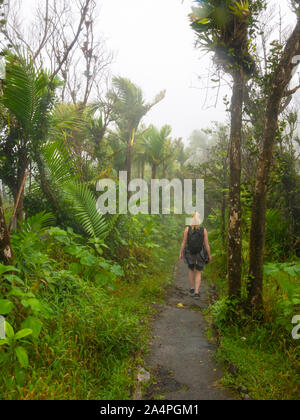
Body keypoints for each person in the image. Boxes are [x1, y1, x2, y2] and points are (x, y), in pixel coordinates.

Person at [179, 212, 212, 299]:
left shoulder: (187, 229)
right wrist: (209, 255)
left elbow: (184, 242)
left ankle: (192, 288)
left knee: (191, 269)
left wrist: (181, 253)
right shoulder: (204, 230)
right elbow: (206, 244)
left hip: (190, 252)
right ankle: (197, 292)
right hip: (200, 253)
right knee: (198, 272)